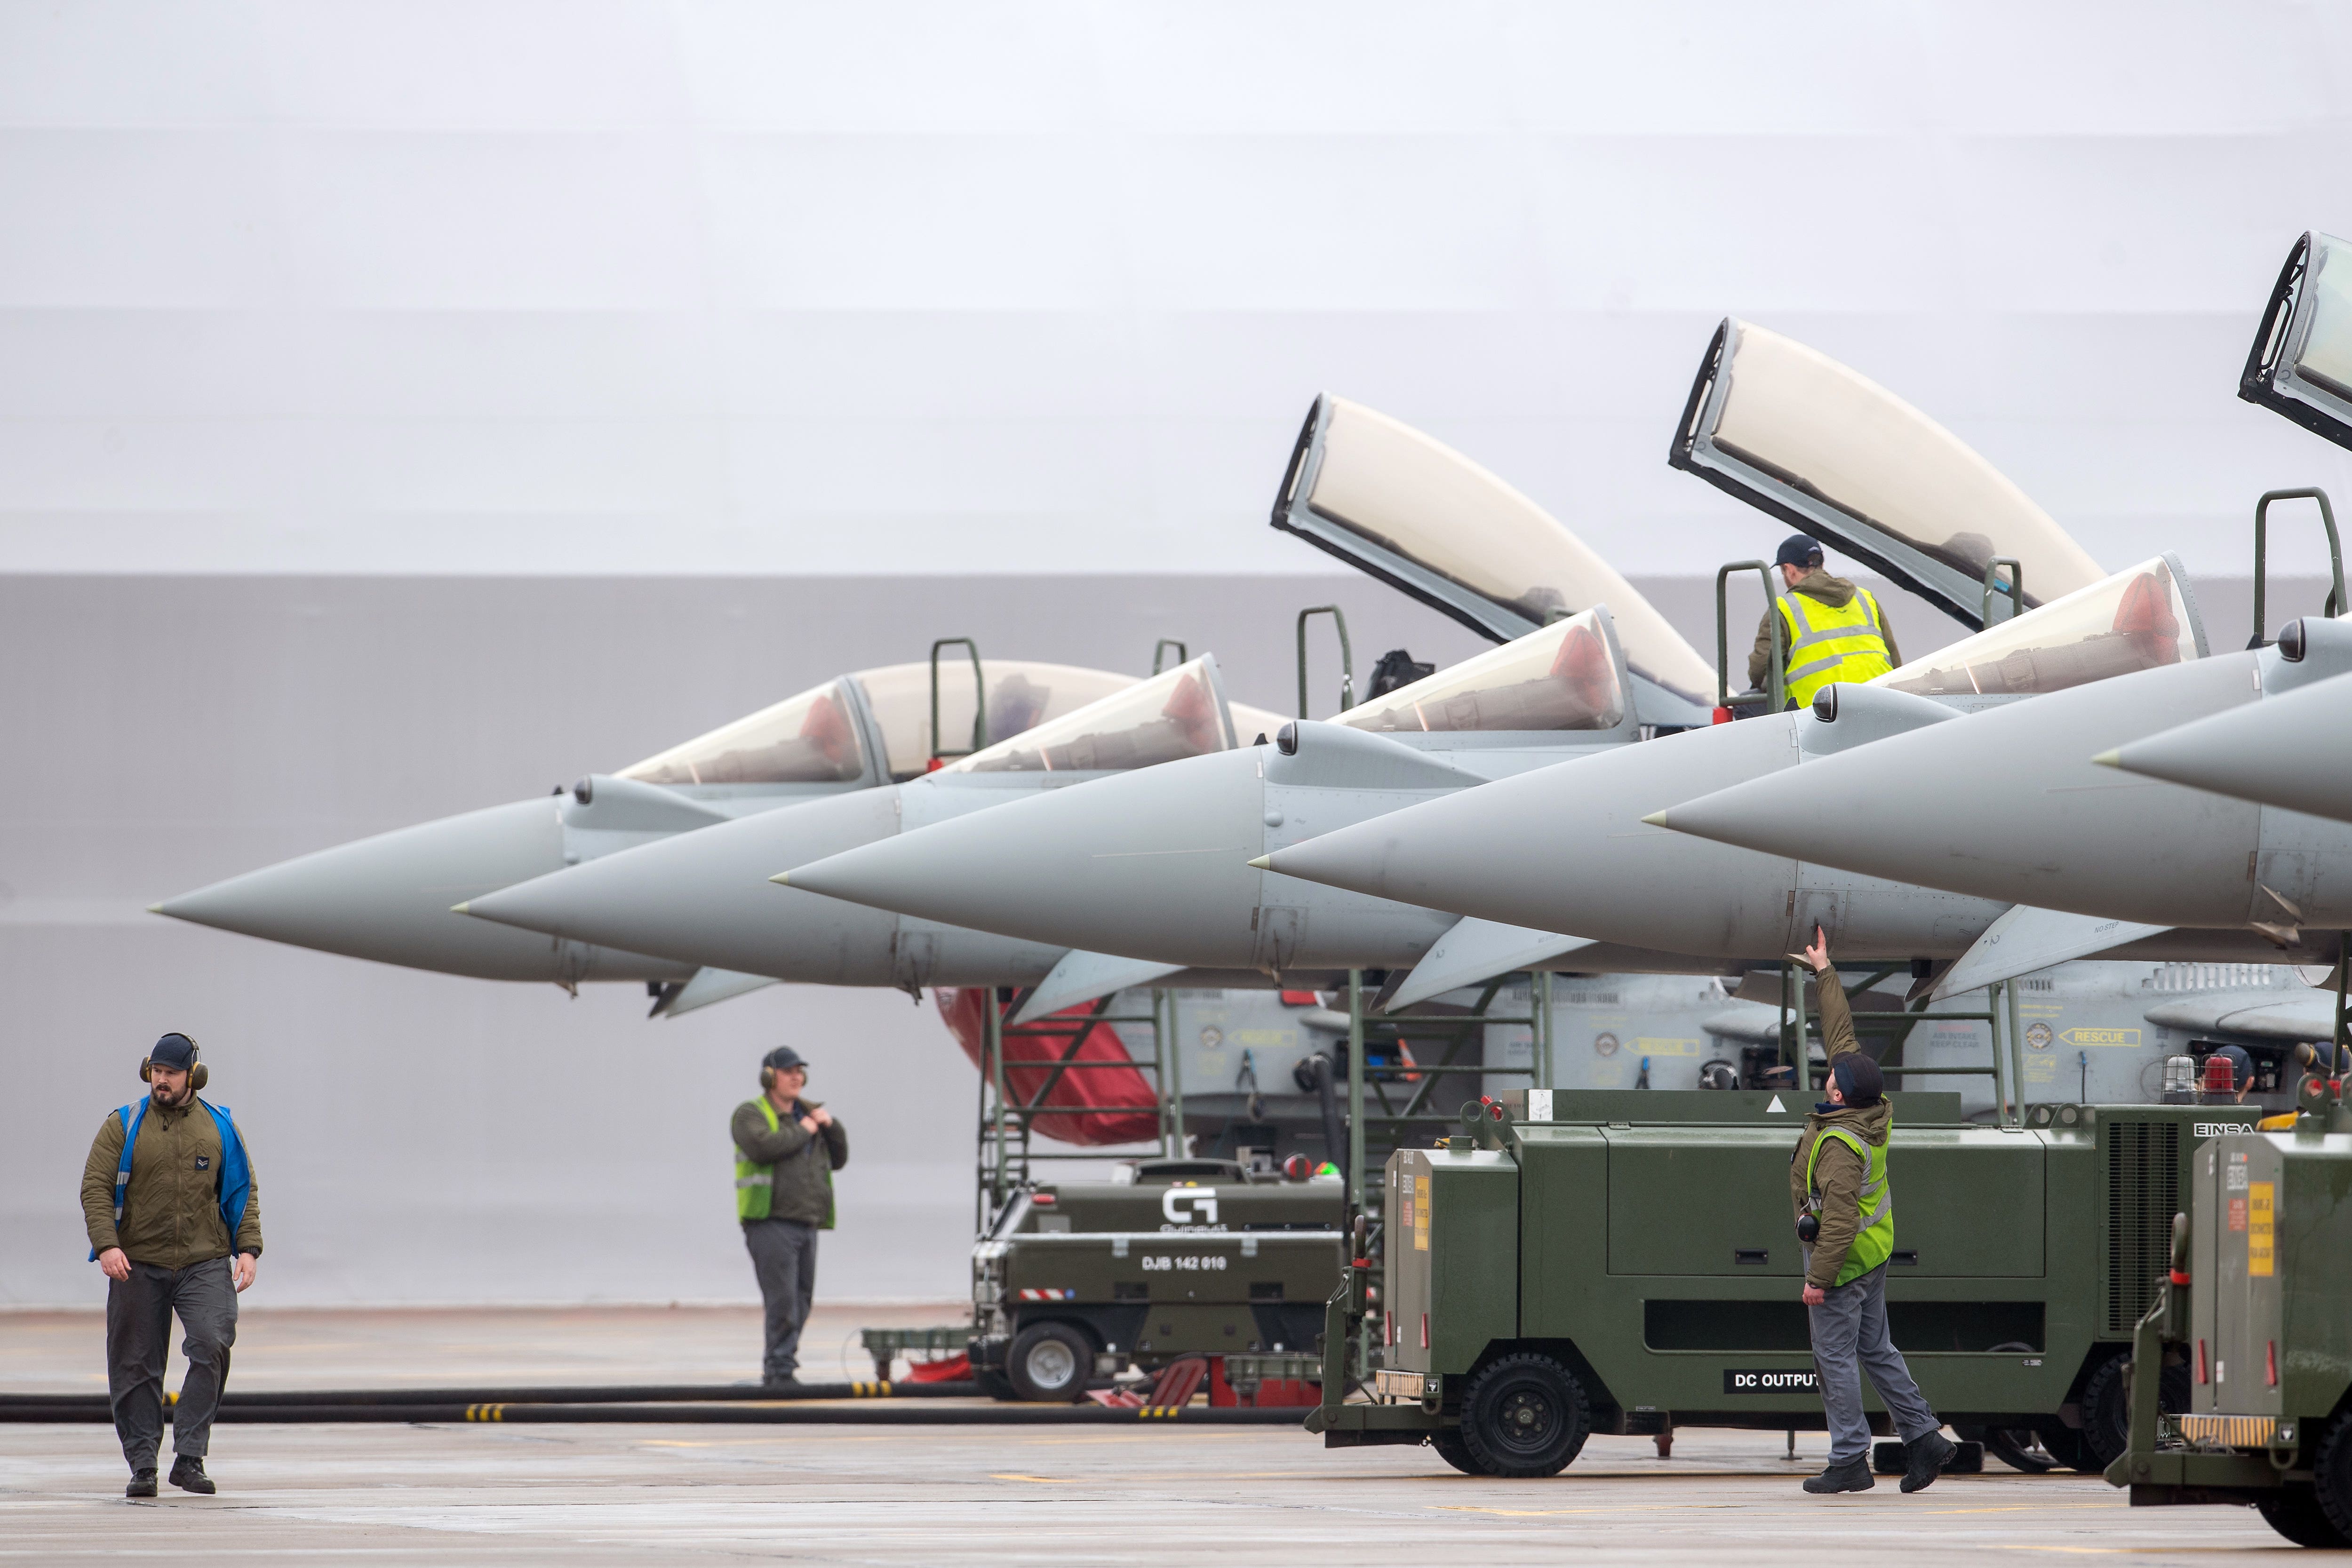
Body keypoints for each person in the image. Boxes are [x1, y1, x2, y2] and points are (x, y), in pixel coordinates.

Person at [1788, 929, 1954, 1495]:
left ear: (1838, 1096)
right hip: (1875, 1252)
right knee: (1876, 1349)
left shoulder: (1839, 1146)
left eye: (1833, 1074)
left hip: (1844, 1261)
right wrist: (1824, 972)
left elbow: (1835, 1222)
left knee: (1834, 1359)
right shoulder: (1873, 1109)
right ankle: (1925, 1438)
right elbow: (1843, 1037)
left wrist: (1817, 1279)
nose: (1830, 1069)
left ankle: (1848, 1460)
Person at [78, 1033, 262, 1498]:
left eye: (171, 1073)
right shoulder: (123, 1125)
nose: (162, 1080)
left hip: (204, 1261)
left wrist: (248, 1249)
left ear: (193, 1076)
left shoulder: (218, 1126)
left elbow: (241, 1190)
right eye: (156, 1071)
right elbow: (95, 1188)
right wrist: (107, 1245)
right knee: (135, 1365)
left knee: (212, 1342)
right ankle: (143, 1465)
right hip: (136, 1262)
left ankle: (190, 1458)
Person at [733, 1046, 848, 1387]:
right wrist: (808, 1129)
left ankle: (784, 1364)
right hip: (770, 1220)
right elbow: (764, 1146)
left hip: (806, 1221)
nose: (796, 1076)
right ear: (770, 1077)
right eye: (787, 1071)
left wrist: (832, 1126)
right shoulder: (750, 1114)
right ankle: (778, 1370)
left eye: (799, 1070)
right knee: (782, 1300)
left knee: (801, 1300)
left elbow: (839, 1158)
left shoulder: (809, 1114)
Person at [1750, 535, 1902, 708]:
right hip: (1882, 707)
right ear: (1821, 563)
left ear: (1789, 569)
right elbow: (1895, 660)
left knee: (1747, 705)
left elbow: (1760, 673)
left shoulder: (1783, 609)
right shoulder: (1864, 599)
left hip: (1820, 719)